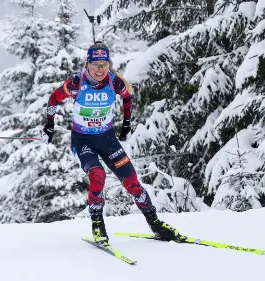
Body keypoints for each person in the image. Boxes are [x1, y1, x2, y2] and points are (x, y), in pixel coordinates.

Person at [43, 41, 185, 246]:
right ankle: (98, 226)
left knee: (133, 184)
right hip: (83, 141)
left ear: (109, 65)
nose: (100, 69)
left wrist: (126, 123)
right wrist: (49, 124)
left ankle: (156, 225)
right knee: (97, 174)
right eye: (96, 65)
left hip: (107, 139)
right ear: (87, 64)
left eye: (104, 64)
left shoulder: (115, 83)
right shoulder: (76, 83)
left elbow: (128, 98)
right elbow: (53, 99)